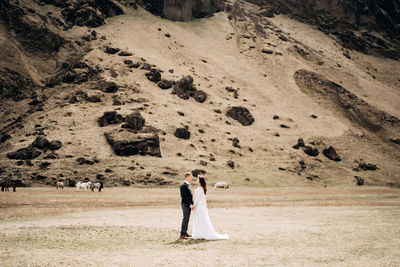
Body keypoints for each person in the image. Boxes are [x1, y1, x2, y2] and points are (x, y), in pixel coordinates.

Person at [192, 176, 229, 240]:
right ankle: (200, 233)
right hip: (201, 207)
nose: (196, 181)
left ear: (200, 181)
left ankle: (200, 233)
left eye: (198, 180)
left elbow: (197, 199)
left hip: (199, 208)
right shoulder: (201, 189)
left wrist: (193, 206)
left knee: (200, 220)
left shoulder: (199, 190)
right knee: (201, 220)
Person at [180, 172, 194, 239]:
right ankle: (182, 234)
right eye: (191, 177)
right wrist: (189, 204)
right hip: (185, 204)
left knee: (187, 219)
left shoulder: (188, 185)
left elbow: (190, 196)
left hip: (188, 204)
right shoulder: (183, 186)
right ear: (187, 177)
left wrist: (192, 204)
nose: (192, 178)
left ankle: (185, 232)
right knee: (185, 218)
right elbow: (184, 196)